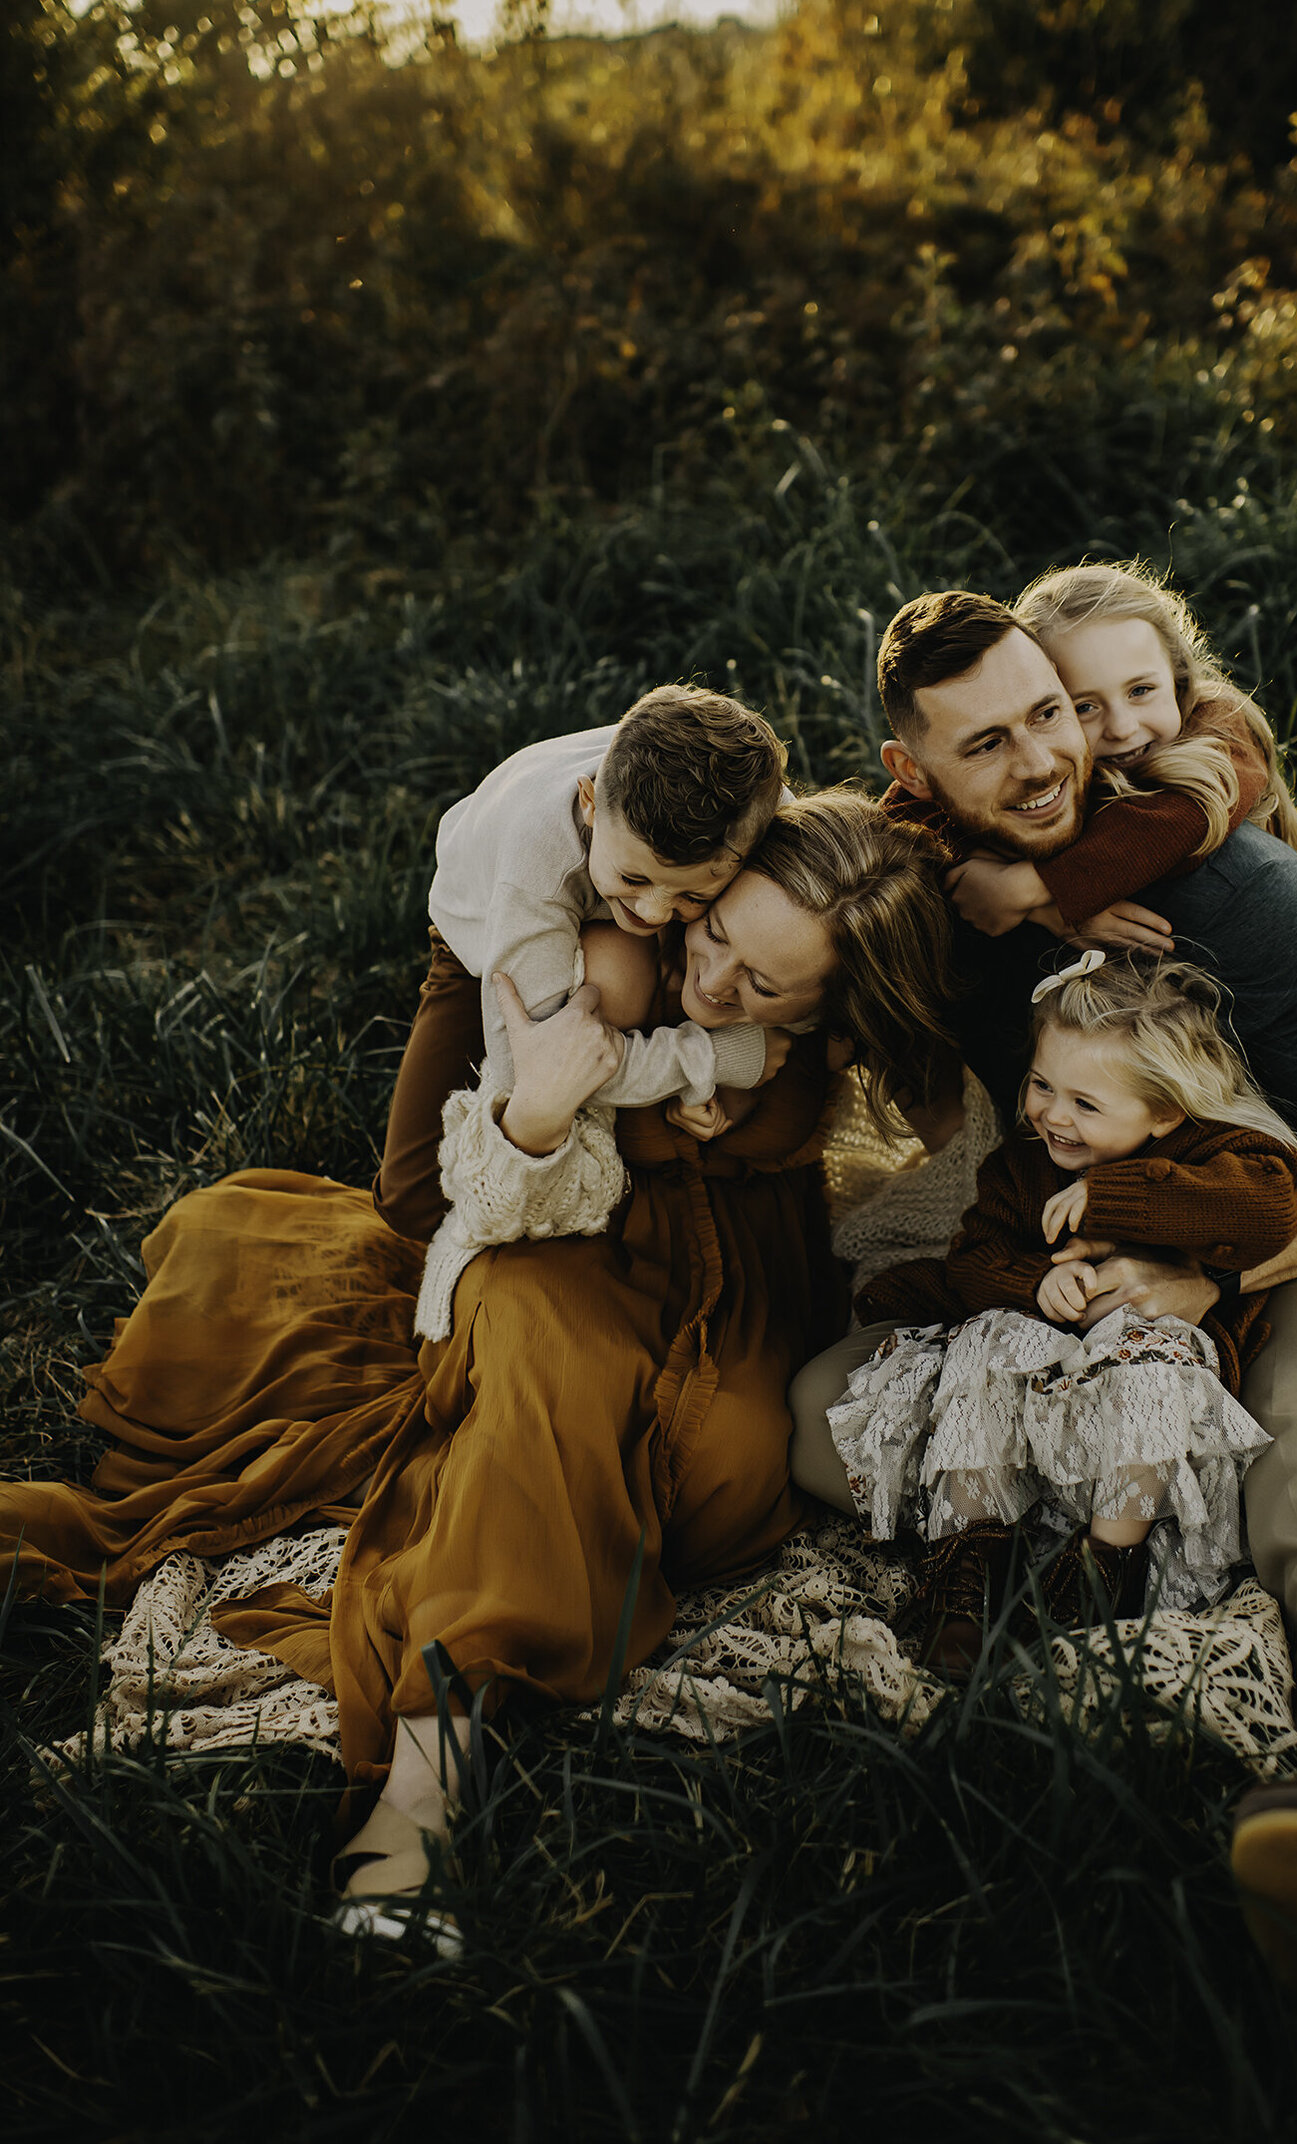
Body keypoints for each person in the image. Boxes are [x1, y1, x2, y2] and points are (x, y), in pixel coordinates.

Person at [0, 791, 954, 1945]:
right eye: (712, 941)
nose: (711, 984)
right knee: (548, 1381)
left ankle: (511, 1499)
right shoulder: (611, 952)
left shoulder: (830, 1026)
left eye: (761, 985)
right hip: (545, 1238)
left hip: (735, 1284)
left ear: (832, 1010)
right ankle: (420, 1793)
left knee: (721, 1488)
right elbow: (463, 1198)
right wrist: (545, 1114)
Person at [790, 587, 1297, 2003]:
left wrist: (1211, 1276)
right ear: (915, 776)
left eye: (1051, 715)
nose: (1045, 762)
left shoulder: (1248, 893)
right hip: (1066, 1243)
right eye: (989, 743)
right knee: (818, 1416)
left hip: (1287, 1224)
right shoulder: (948, 904)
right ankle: (1110, 1523)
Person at [819, 950, 1297, 1671]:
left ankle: (1100, 1569)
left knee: (1153, 1348)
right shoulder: (1023, 1166)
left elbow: (1275, 1206)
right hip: (1039, 1392)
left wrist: (1113, 1196)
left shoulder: (1214, 1153)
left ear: (1164, 1110)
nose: (1053, 1115)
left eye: (1086, 1104)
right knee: (984, 1341)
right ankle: (968, 1570)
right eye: (1043, 1086)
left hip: (1137, 1403)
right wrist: (1030, 1285)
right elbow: (971, 1259)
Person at [373, 682, 792, 1247]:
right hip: (485, 932)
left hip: (597, 905)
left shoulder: (763, 817)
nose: (653, 911)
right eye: (635, 878)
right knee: (414, 1200)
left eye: (694, 894)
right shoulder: (534, 873)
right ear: (591, 803)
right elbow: (535, 1073)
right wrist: (711, 1054)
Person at [944, 560, 1297, 944]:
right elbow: (915, 815)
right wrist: (1010, 893)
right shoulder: (1042, 768)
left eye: (1140, 691)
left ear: (1177, 676)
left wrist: (1029, 889)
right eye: (1085, 707)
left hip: (1264, 941)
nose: (1122, 728)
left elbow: (1177, 825)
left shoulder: (1223, 729)